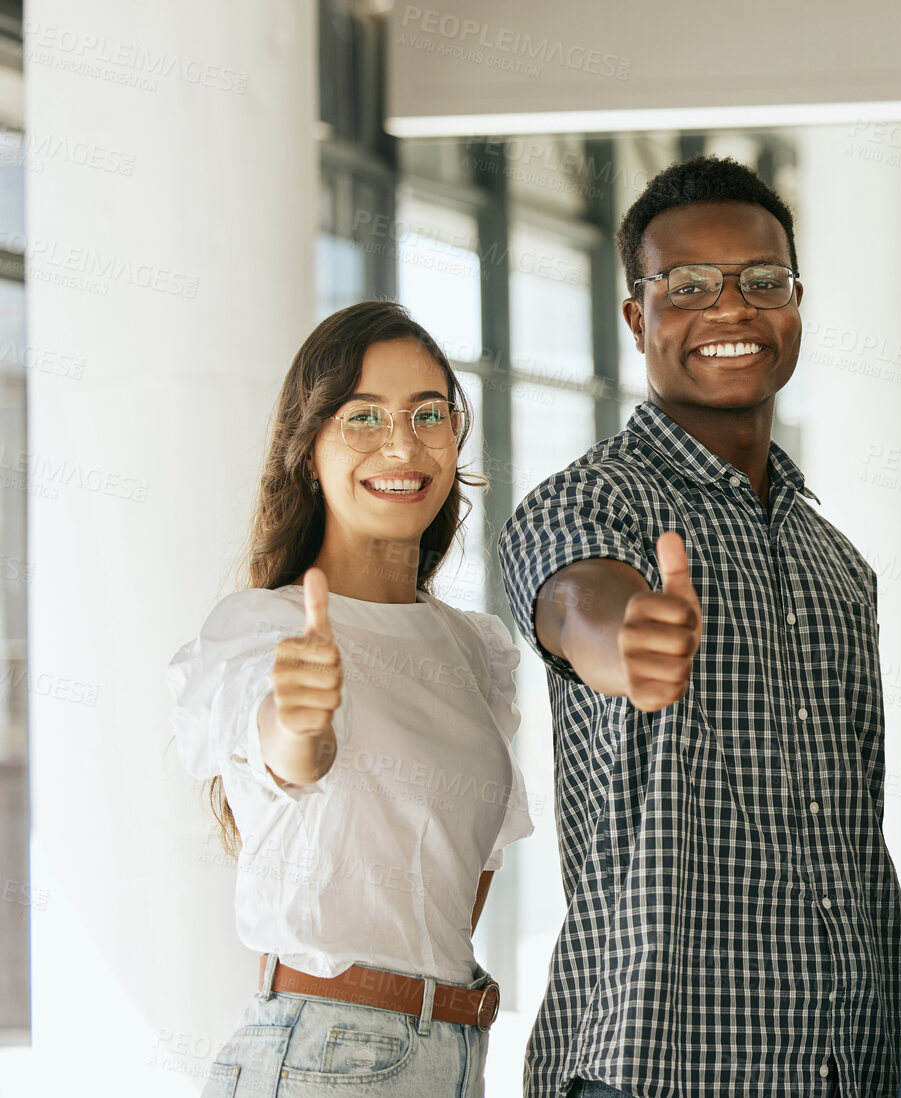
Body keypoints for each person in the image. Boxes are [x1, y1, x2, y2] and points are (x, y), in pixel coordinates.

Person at [497, 155, 901, 1098]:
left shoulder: (834, 559)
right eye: (687, 286)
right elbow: (575, 601)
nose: (731, 310)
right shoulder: (590, 500)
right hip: (657, 1069)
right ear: (636, 317)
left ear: (795, 304)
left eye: (762, 282)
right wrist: (622, 641)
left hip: (853, 1062)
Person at [168, 300, 534, 1097]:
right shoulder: (264, 629)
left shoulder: (476, 650)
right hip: (324, 1055)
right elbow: (289, 754)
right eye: (362, 418)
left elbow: (462, 878)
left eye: (427, 414)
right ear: (308, 452)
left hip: (454, 1052)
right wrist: (297, 724)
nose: (402, 444)